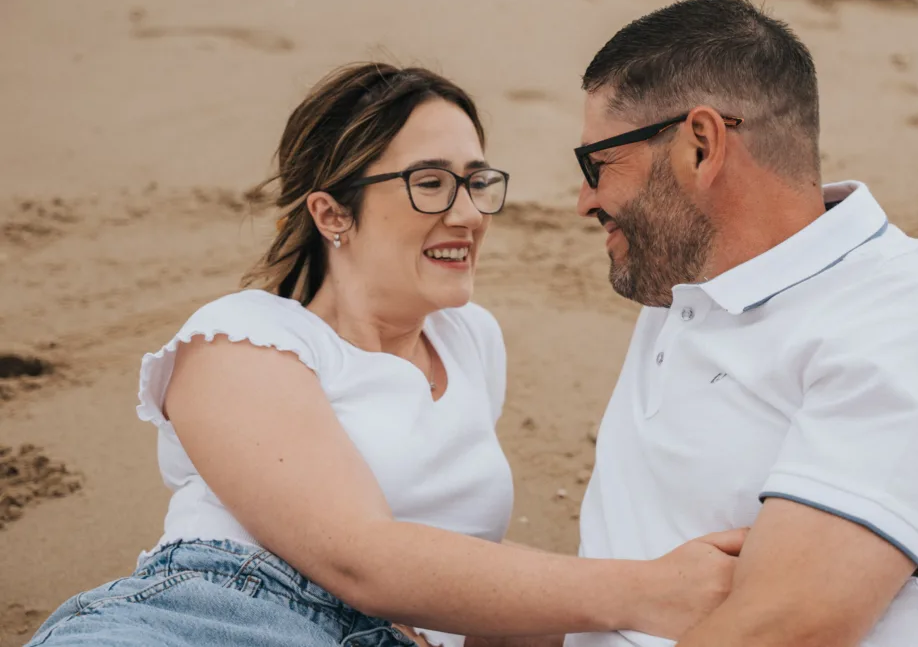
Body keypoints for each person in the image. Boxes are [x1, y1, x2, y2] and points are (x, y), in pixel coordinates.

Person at [26, 63, 745, 647]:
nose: (466, 213)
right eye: (429, 182)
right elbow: (358, 557)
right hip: (215, 617)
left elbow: (476, 600)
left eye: (476, 181)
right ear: (331, 213)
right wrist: (644, 590)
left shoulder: (471, 344)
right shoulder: (240, 338)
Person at [567, 0, 918, 647]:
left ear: (701, 145)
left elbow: (792, 625)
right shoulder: (687, 290)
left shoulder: (907, 310)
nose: (584, 201)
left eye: (597, 165)